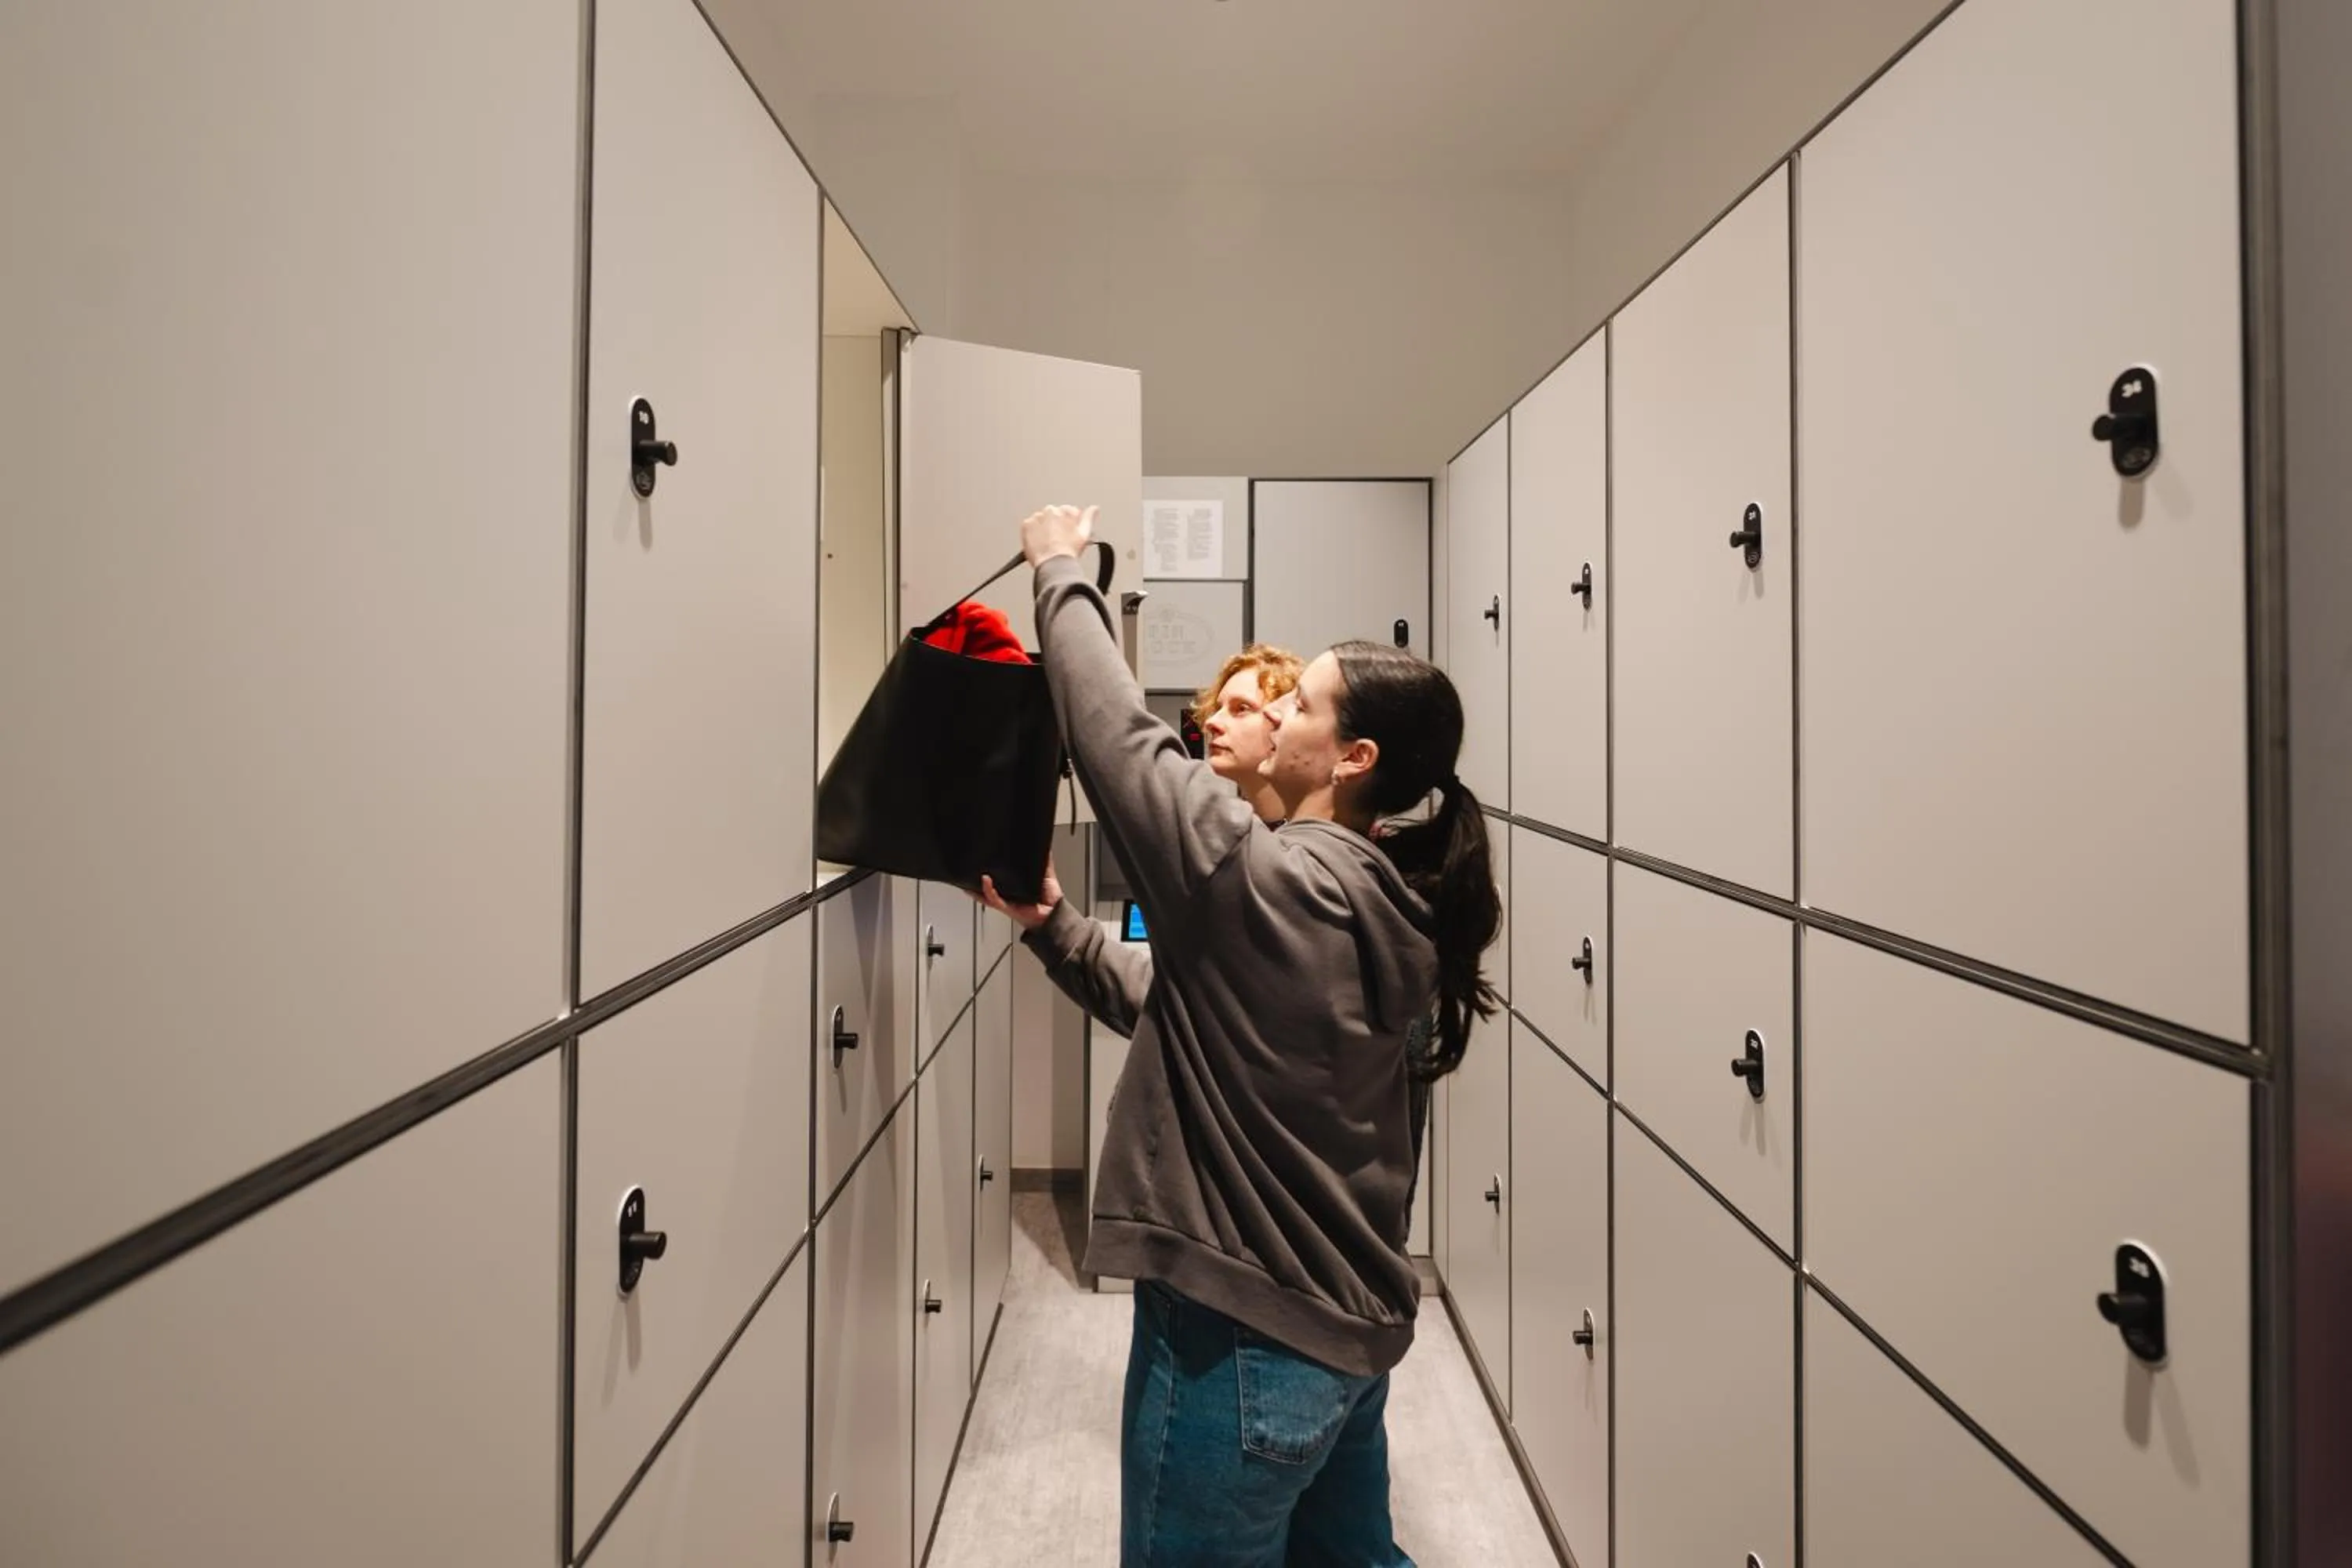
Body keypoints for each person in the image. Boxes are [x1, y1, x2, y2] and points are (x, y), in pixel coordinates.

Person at [982, 504, 1501, 1568]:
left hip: (1241, 1342)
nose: (1249, 713)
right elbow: (1194, 1010)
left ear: (1349, 756)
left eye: (1296, 703)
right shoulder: (1385, 896)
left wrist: (1059, 571)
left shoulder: (1255, 873)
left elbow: (1116, 739)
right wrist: (1058, 931)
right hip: (1347, 1341)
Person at [1194, 644, 1303, 824]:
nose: (1212, 722)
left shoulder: (1320, 843)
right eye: (1218, 708)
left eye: (1241, 709)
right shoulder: (1229, 832)